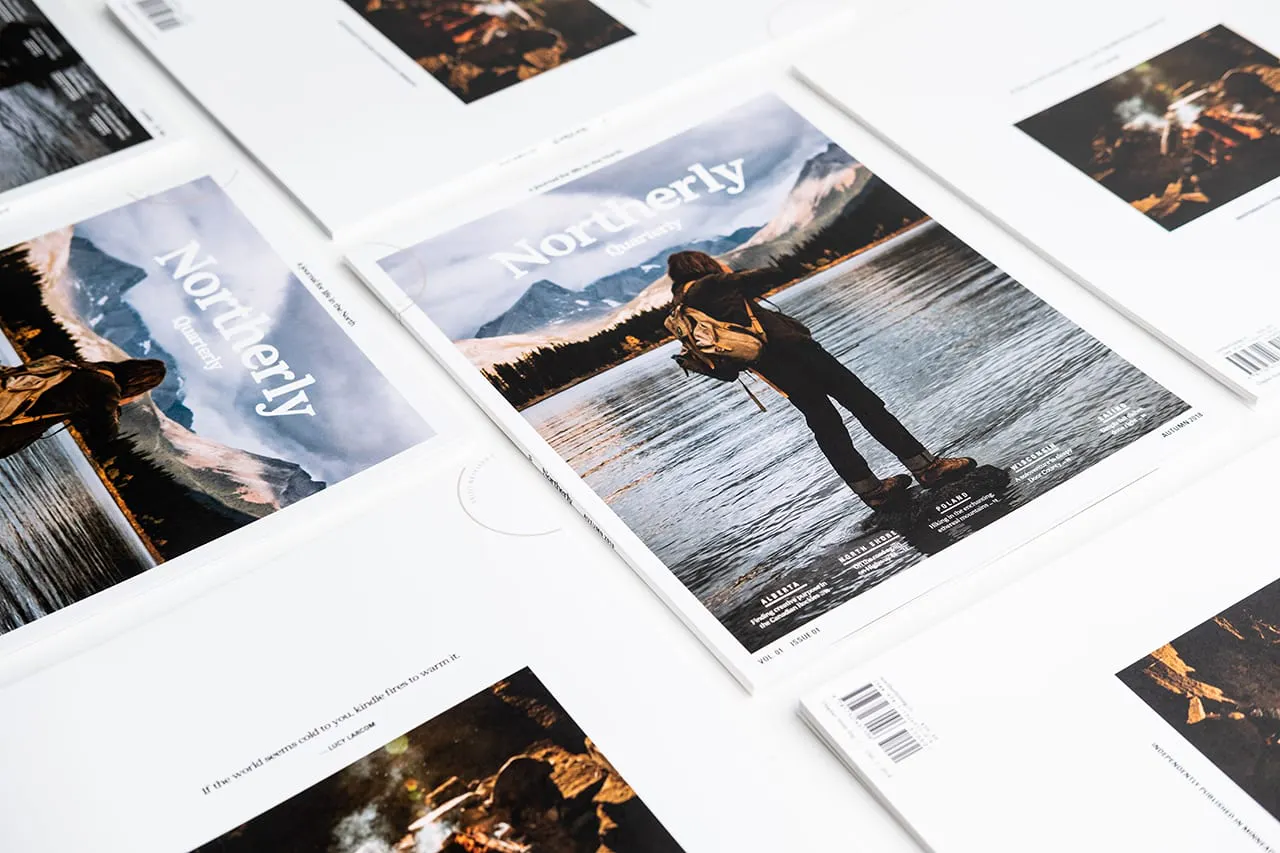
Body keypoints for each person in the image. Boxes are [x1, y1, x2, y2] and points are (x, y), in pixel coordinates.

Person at [666, 251, 976, 511]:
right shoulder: (710, 285)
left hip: (771, 366)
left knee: (825, 423)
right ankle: (927, 468)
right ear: (702, 264)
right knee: (866, 405)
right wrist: (771, 267)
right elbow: (768, 274)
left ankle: (871, 491)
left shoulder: (682, 300)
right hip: (799, 354)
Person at [0, 354, 166, 460]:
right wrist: (118, 405)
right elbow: (105, 435)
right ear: (139, 385)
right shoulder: (107, 391)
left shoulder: (82, 367)